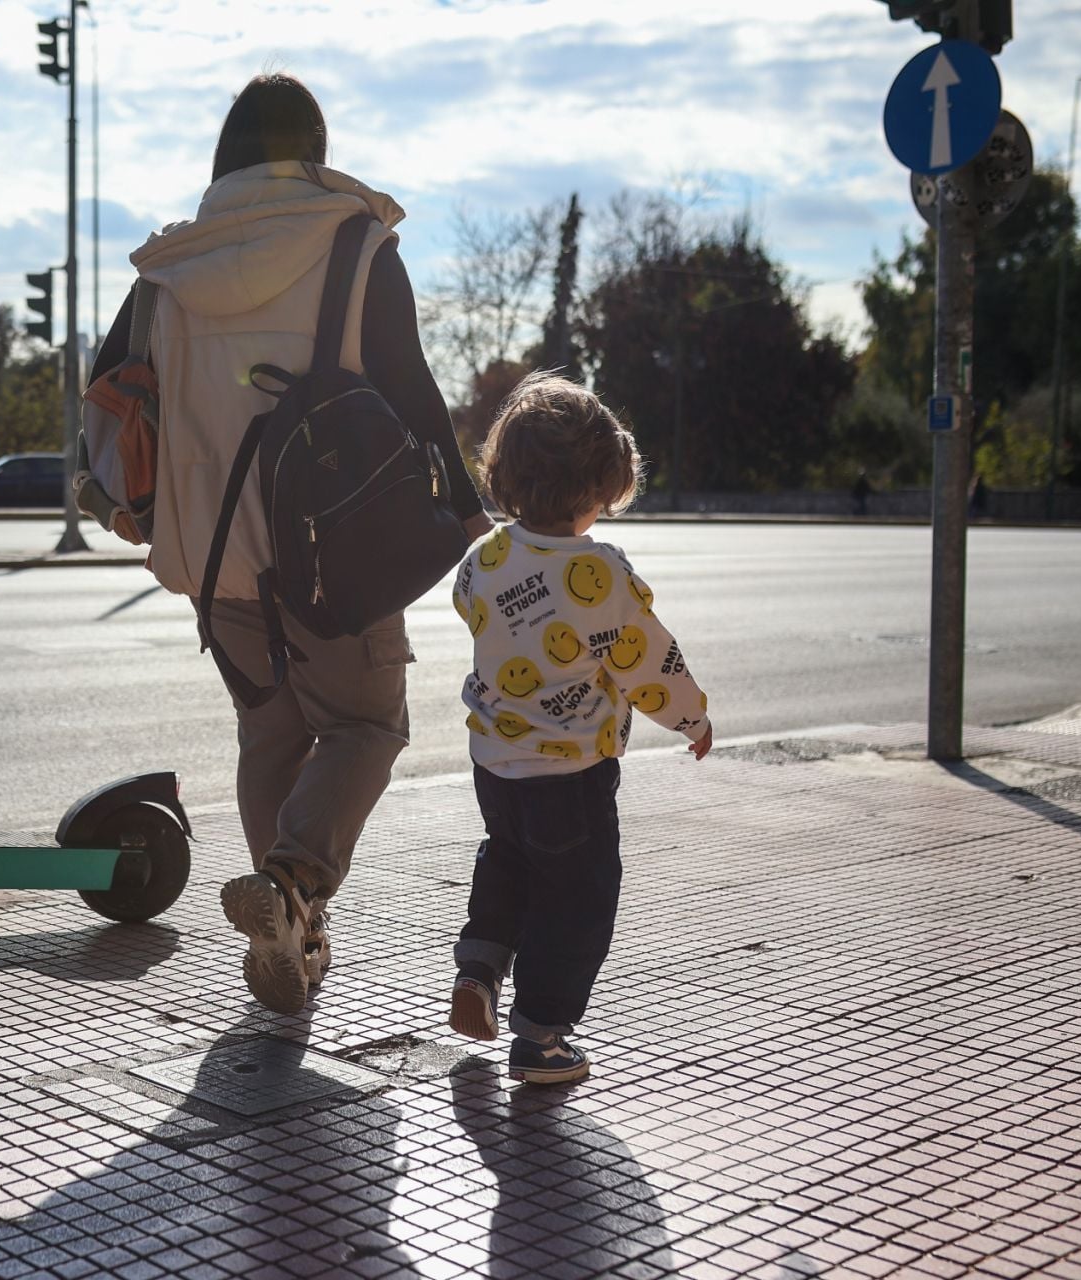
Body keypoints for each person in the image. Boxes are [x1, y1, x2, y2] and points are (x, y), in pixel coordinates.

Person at [89, 74, 494, 1015]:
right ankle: (293, 884)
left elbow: (113, 395)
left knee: (270, 733)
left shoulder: (169, 269)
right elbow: (411, 388)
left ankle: (293, 931)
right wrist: (466, 511)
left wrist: (125, 505)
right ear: (312, 151)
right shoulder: (354, 245)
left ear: (225, 157)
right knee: (365, 726)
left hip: (214, 551)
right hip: (335, 546)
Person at [445, 373, 713, 1085]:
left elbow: (470, 609)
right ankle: (542, 1037)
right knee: (578, 897)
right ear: (599, 485)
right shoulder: (601, 571)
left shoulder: (488, 558)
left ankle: (479, 961)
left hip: (494, 761)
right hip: (572, 775)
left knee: (508, 858)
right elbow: (647, 661)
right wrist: (692, 716)